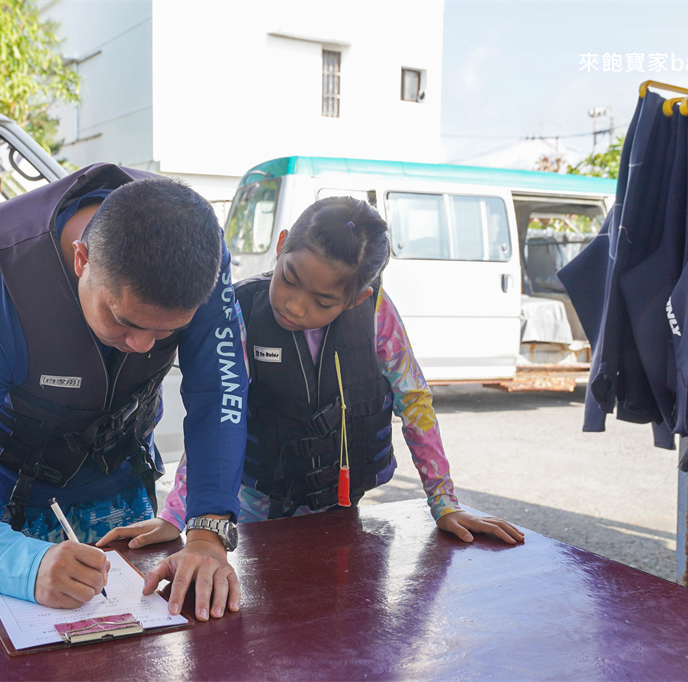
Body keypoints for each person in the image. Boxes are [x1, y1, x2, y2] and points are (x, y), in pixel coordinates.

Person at [0, 164, 247, 622]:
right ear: (82, 259)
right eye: (126, 321)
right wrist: (23, 563)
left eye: (168, 332)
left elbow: (221, 392)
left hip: (126, 497)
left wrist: (207, 531)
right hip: (7, 510)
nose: (145, 346)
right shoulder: (3, 280)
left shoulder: (200, 256)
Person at [99, 196, 523, 547]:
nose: (295, 305)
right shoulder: (240, 311)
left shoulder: (376, 315)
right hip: (252, 511)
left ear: (357, 298)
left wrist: (444, 503)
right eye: (289, 278)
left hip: (341, 512)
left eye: (322, 302)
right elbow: (218, 414)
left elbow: (415, 401)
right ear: (281, 246)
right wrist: (176, 515)